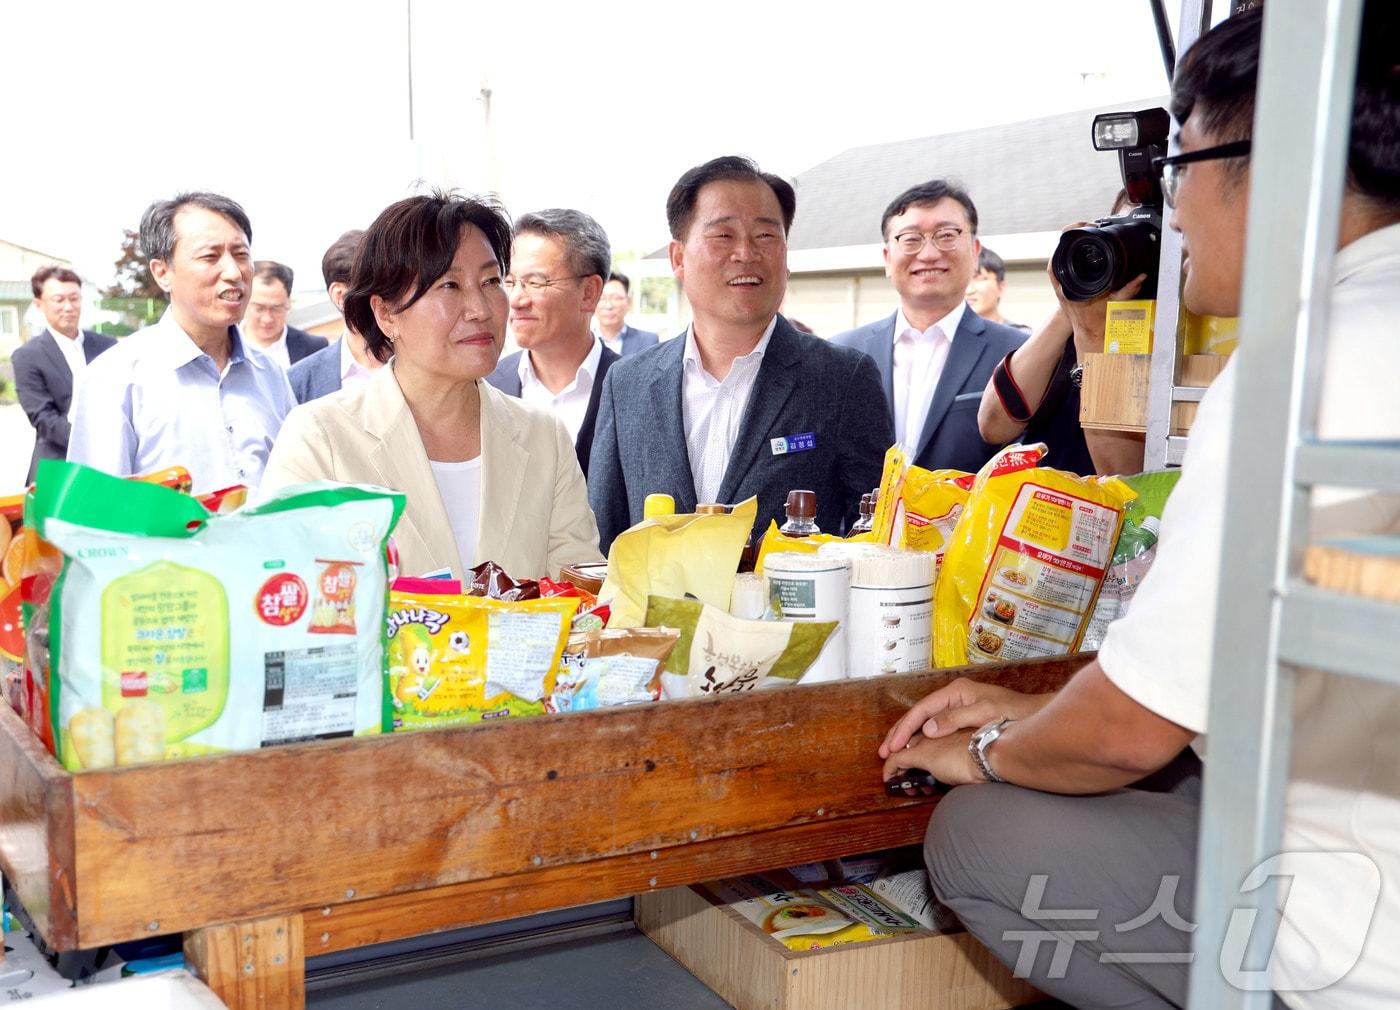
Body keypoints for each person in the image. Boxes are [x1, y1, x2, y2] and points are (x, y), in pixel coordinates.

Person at [880, 7, 1400, 1008]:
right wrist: (1039, 712)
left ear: (1272, 153)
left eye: (1182, 163)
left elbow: (1126, 734)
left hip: (1355, 939)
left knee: (982, 831)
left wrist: (987, 749)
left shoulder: (1301, 368)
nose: (1169, 212)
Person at [261, 191, 603, 581]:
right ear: (386, 313)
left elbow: (579, 592)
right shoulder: (320, 437)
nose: (481, 308)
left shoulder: (543, 436)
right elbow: (287, 593)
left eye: (492, 280)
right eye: (449, 286)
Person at [587, 156, 891, 551]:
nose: (746, 253)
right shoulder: (628, 383)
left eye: (766, 236)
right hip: (652, 614)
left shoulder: (841, 378)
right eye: (723, 236)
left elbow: (878, 537)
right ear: (678, 258)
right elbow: (603, 540)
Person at [67, 192, 295, 494]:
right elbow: (95, 509)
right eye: (209, 257)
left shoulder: (271, 375)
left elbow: (295, 487)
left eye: (241, 254)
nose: (234, 272)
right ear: (163, 273)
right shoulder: (114, 378)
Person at [831, 180, 1026, 475]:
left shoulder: (1019, 354)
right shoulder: (841, 353)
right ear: (887, 258)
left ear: (974, 251)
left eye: (946, 235)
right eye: (910, 239)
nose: (929, 254)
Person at [977, 191, 1145, 476]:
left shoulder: (1184, 334)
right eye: (1121, 228)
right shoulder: (1077, 317)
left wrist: (1091, 334)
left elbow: (1125, 480)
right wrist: (1071, 298)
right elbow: (994, 425)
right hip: (1048, 515)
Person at [486, 209, 620, 475]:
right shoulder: (486, 386)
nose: (516, 300)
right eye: (510, 282)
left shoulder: (634, 389)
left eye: (535, 283)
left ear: (589, 293)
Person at [12, 265, 116, 484]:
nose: (68, 307)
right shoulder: (27, 356)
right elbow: (43, 418)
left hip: (111, 466)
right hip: (57, 470)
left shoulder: (108, 346)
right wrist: (93, 443)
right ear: (39, 304)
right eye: (59, 300)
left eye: (74, 298)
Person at [288, 230, 384, 403]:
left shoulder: (423, 364)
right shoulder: (298, 382)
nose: (386, 302)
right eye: (373, 291)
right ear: (339, 295)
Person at [593, 271, 659, 357]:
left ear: (629, 302)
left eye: (616, 298)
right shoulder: (583, 343)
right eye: (602, 298)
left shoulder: (648, 342)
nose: (608, 306)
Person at [965, 247, 1029, 332]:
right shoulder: (948, 338)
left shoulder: (1021, 336)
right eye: (964, 280)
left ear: (1000, 287)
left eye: (979, 279)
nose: (969, 291)